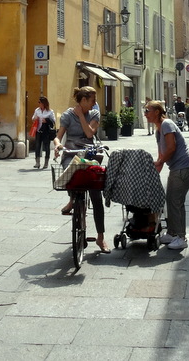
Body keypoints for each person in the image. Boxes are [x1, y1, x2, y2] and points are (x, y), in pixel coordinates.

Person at [55, 86, 109, 253]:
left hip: (89, 152)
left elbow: (89, 134)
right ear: (83, 100)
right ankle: (73, 199)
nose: (95, 103)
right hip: (71, 151)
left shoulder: (94, 114)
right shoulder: (67, 115)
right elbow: (58, 136)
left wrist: (80, 115)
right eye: (92, 100)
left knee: (95, 194)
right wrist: (58, 146)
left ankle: (100, 237)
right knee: (69, 171)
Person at [146, 100, 189, 251]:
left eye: (148, 111)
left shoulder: (166, 124)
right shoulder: (158, 130)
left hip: (182, 169)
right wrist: (154, 174)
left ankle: (181, 237)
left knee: (175, 202)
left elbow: (171, 148)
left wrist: (160, 161)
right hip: (176, 169)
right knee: (171, 200)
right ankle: (172, 233)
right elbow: (161, 155)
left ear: (156, 112)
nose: (145, 114)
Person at [32, 96, 57, 169]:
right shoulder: (37, 110)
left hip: (46, 132)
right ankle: (37, 163)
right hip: (38, 130)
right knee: (37, 146)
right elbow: (33, 118)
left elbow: (53, 121)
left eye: (39, 102)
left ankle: (46, 163)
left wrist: (47, 120)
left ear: (43, 103)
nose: (38, 104)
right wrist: (34, 118)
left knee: (46, 147)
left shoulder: (50, 111)